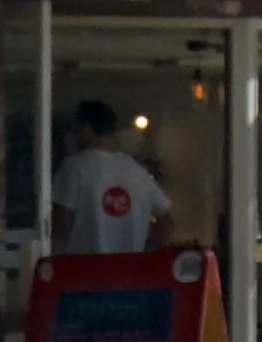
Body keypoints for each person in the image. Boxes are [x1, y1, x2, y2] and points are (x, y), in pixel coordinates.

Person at [50, 100, 178, 256]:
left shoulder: (74, 168)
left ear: (87, 129)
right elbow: (166, 221)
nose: (73, 137)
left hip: (85, 272)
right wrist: (144, 256)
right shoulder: (137, 172)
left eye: (76, 130)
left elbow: (61, 223)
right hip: (130, 274)